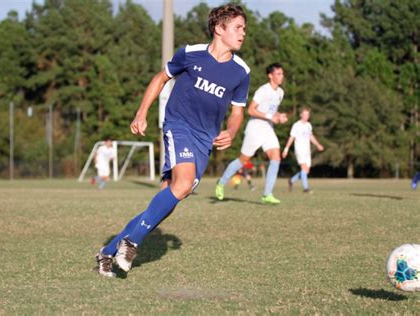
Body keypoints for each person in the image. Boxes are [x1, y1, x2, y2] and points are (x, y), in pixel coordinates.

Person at [95, 4, 250, 277]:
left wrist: (232, 131)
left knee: (172, 196)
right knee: (183, 184)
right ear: (218, 29)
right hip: (178, 125)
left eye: (244, 29)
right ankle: (132, 243)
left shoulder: (241, 72)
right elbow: (160, 78)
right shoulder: (190, 54)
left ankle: (107, 251)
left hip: (205, 139)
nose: (243, 33)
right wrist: (141, 113)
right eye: (237, 27)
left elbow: (238, 111)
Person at [215, 63, 287, 205]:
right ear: (270, 75)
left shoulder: (280, 93)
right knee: (243, 160)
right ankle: (221, 183)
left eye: (282, 74)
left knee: (276, 157)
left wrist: (279, 116)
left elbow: (271, 111)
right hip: (255, 128)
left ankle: (267, 194)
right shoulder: (263, 90)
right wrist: (270, 116)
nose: (281, 76)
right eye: (278, 74)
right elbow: (251, 110)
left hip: (268, 129)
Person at [282, 107, 324, 193]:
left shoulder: (308, 125)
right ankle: (306, 188)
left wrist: (318, 144)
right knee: (304, 168)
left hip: (307, 151)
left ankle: (291, 180)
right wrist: (286, 149)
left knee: (306, 171)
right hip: (299, 149)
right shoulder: (296, 125)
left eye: (307, 114)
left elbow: (310, 136)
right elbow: (291, 137)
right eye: (304, 114)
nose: (306, 116)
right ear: (301, 115)